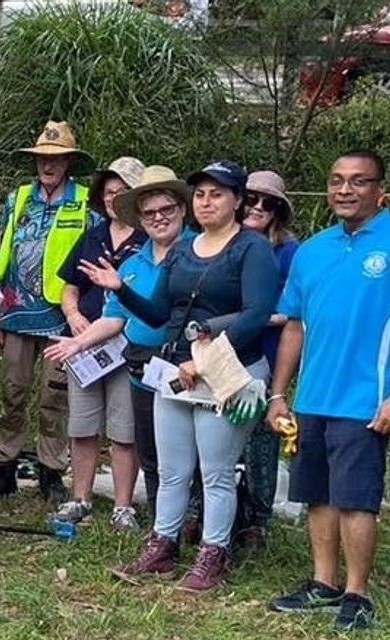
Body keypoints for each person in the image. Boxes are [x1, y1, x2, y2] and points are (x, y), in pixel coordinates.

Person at [81, 160, 281, 592]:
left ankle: (213, 552)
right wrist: (120, 289)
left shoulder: (251, 248)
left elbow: (257, 314)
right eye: (202, 194)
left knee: (216, 472)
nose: (207, 202)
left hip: (228, 373)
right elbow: (158, 311)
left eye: (218, 194)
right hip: (175, 370)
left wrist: (205, 346)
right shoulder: (183, 252)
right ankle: (163, 544)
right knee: (172, 469)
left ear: (238, 200)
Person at [265, 150, 390, 631]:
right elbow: (295, 327)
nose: (345, 190)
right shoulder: (313, 250)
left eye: (358, 181)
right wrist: (278, 394)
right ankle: (324, 583)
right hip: (313, 397)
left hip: (367, 400)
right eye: (336, 181)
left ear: (380, 190)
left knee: (356, 498)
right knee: (318, 495)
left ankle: (357, 594)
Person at [49, 165, 193, 525]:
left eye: (166, 210)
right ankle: (164, 527)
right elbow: (114, 318)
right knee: (149, 448)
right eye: (150, 213)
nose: (158, 218)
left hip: (186, 364)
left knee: (178, 449)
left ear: (181, 209)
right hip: (140, 366)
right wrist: (77, 342)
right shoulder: (132, 263)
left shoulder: (197, 252)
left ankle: (185, 524)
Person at [0, 121, 99, 504]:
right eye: (42, 159)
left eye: (56, 158)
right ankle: (4, 467)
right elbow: (2, 250)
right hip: (16, 311)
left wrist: (86, 315)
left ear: (68, 161)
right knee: (12, 393)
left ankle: (52, 470)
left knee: (56, 396)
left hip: (60, 316)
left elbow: (92, 261)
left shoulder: (84, 202)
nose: (48, 166)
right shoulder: (17, 199)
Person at [49, 156, 148, 530]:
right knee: (82, 425)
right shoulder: (93, 235)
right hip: (85, 344)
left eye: (122, 191)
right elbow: (70, 285)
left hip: (127, 345)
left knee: (124, 431)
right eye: (108, 192)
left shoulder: (147, 239)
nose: (113, 198)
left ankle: (124, 505)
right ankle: (81, 497)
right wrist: (73, 316)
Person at [239, 169, 298, 535]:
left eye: (269, 202)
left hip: (270, 350)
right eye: (251, 198)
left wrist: (255, 318)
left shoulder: (289, 252)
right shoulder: (221, 241)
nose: (258, 207)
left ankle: (258, 521)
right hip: (227, 351)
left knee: (262, 436)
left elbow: (296, 309)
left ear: (278, 210)